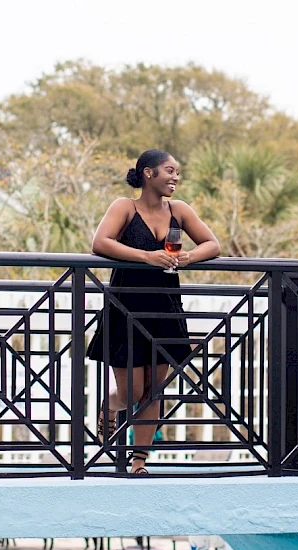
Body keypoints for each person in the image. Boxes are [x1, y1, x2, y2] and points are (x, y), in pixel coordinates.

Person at [86, 149, 220, 474]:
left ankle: (139, 461)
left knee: (155, 390)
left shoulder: (180, 210)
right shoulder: (124, 207)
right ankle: (110, 406)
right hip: (127, 306)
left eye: (177, 172)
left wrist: (188, 258)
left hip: (165, 307)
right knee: (133, 390)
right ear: (148, 173)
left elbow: (212, 245)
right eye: (169, 170)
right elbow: (100, 243)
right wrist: (147, 257)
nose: (175, 177)